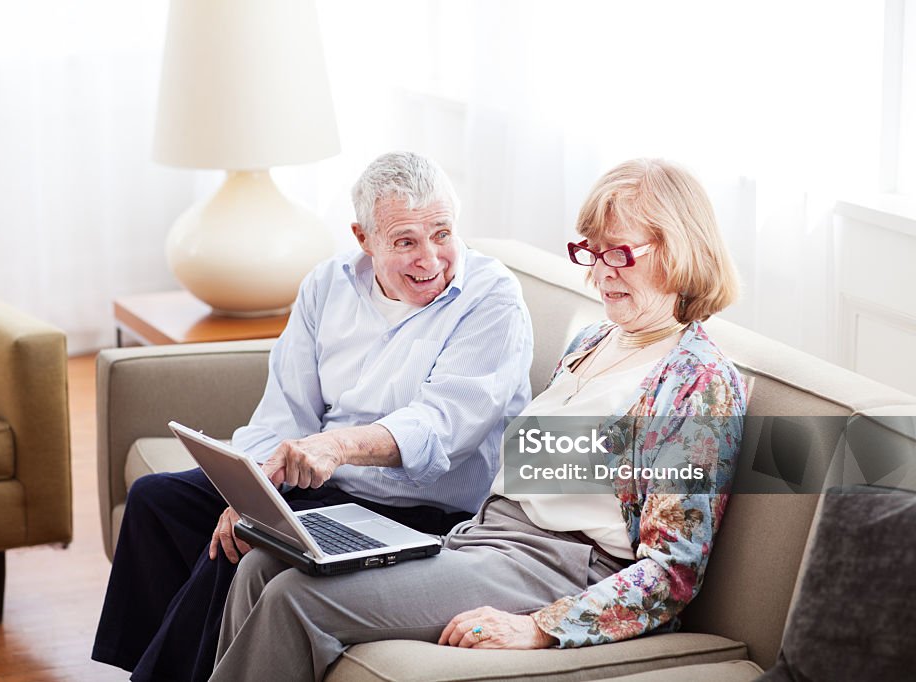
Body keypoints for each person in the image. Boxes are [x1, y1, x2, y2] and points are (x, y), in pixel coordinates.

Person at [208, 158, 750, 682]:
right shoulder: (594, 343)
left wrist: (543, 626)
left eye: (621, 254)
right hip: (485, 541)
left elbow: (671, 574)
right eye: (592, 251)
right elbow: (532, 483)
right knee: (262, 566)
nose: (601, 272)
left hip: (561, 566)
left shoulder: (699, 384)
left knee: (295, 598)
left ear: (679, 251)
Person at [91, 151, 534, 681]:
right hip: (320, 482)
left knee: (241, 546)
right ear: (363, 238)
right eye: (405, 242)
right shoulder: (329, 285)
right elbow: (284, 411)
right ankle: (151, 667)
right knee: (156, 501)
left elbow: (444, 425)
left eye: (442, 233)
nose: (431, 259)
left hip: (418, 508)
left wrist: (337, 447)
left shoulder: (492, 299)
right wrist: (251, 488)